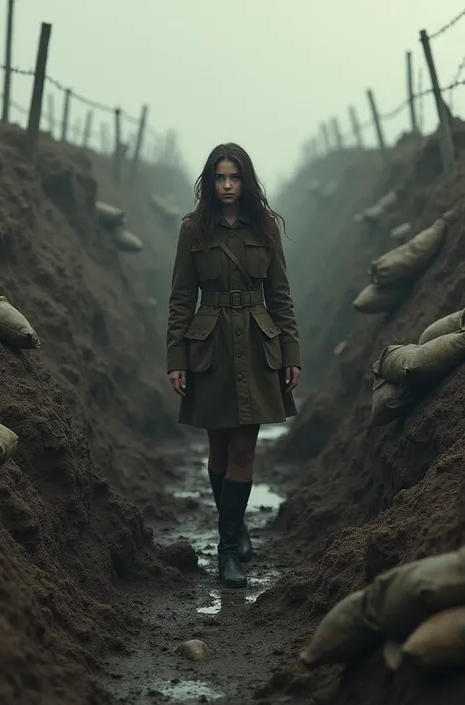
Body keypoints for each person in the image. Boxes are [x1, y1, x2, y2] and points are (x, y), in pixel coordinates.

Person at [166, 143, 301, 589]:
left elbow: (280, 294)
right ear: (210, 181)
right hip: (210, 347)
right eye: (220, 178)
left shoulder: (265, 228)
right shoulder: (193, 230)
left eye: (235, 178)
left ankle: (226, 554)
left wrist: (291, 353)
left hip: (259, 344)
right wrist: (177, 359)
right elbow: (182, 299)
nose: (227, 186)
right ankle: (236, 524)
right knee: (220, 450)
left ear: (246, 181)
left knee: (244, 449)